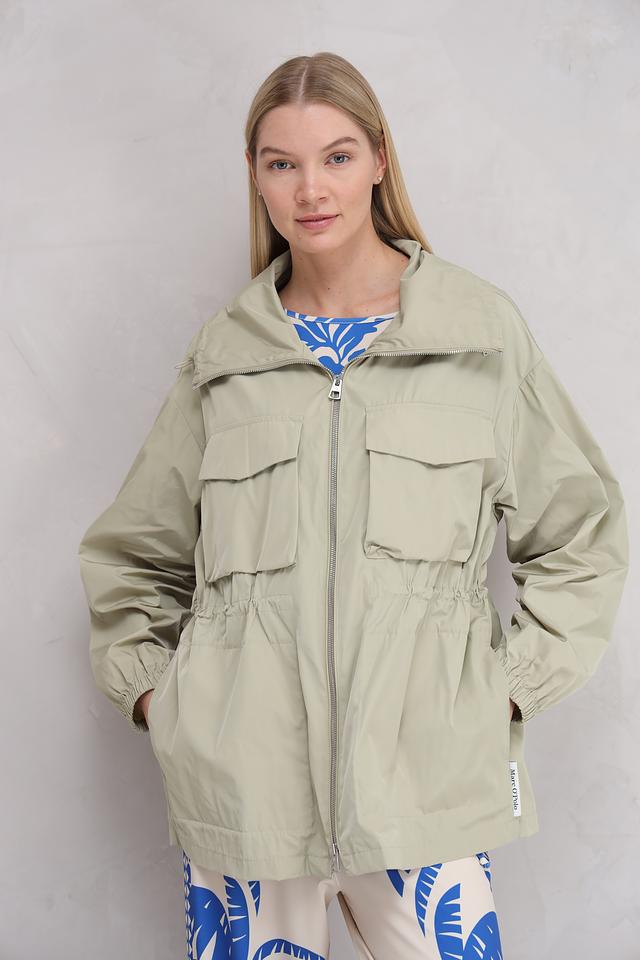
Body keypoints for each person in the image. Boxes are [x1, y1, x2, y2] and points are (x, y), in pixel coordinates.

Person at [77, 52, 629, 958]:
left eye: (336, 156)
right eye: (282, 163)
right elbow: (133, 557)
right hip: (246, 803)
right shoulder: (226, 357)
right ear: (255, 176)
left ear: (378, 158)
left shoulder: (477, 335)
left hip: (428, 793)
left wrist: (505, 694)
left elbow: (582, 535)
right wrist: (163, 704)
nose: (311, 189)